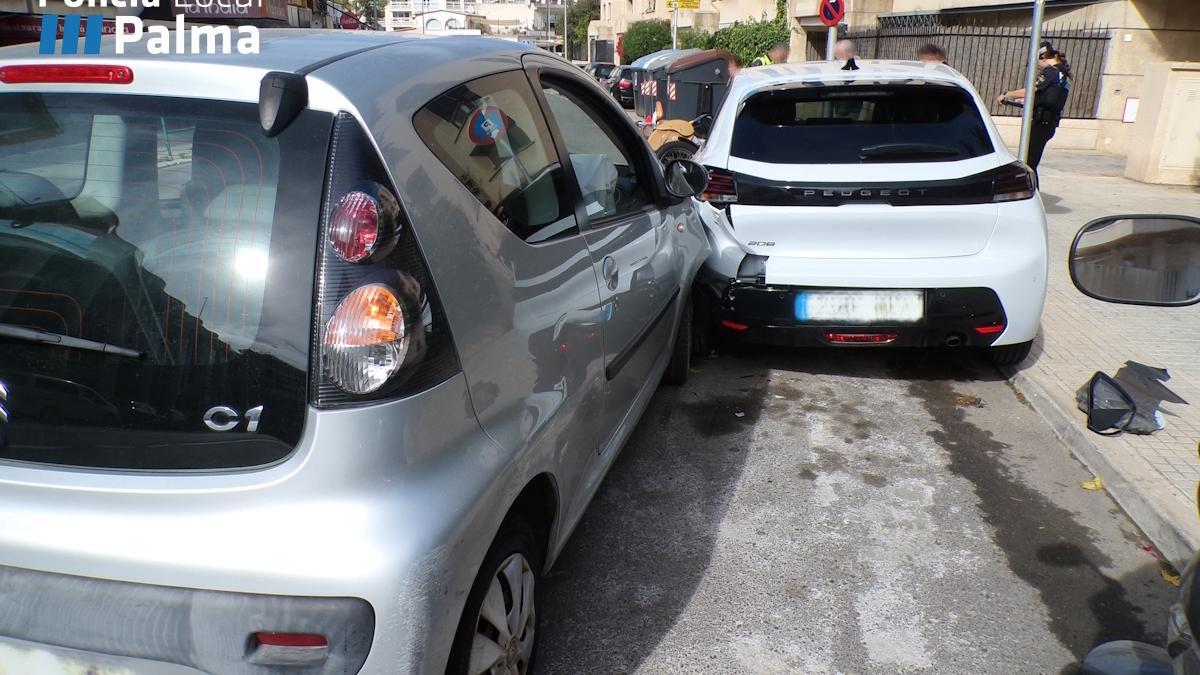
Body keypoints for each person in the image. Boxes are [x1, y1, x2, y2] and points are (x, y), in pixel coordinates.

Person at [996, 42, 1072, 180]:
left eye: (1037, 63)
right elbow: (1049, 98)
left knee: (1028, 165)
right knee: (1031, 163)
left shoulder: (1050, 71)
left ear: (1043, 57)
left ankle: (1030, 196)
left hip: (1041, 122)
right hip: (1049, 123)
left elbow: (1032, 89)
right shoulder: (1063, 75)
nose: (1038, 68)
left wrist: (1007, 94)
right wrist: (1026, 101)